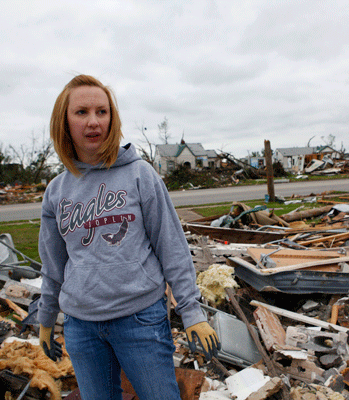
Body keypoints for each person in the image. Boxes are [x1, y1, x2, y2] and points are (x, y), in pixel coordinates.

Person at [37, 74, 220, 400]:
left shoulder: (139, 174)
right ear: (64, 121)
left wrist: (191, 311)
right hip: (81, 327)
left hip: (140, 321)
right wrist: (46, 318)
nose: (94, 122)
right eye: (81, 112)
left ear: (112, 118)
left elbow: (171, 246)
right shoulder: (56, 192)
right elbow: (53, 265)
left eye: (102, 112)